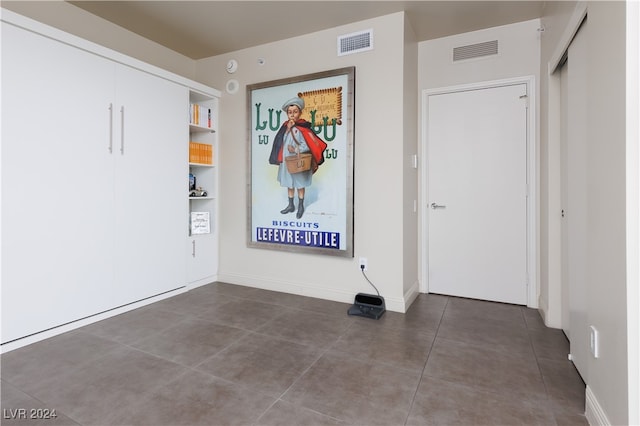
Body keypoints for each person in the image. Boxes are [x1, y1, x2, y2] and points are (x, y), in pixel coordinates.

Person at [269, 97, 327, 219]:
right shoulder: (285, 127)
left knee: (300, 185)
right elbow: (280, 142)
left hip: (298, 162)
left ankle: (300, 206)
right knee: (289, 184)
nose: (292, 115)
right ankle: (291, 205)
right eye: (290, 112)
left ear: (300, 113)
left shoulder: (302, 128)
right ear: (287, 114)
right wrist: (288, 129)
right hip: (287, 162)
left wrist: (295, 150)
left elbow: (307, 145)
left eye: (295, 112)